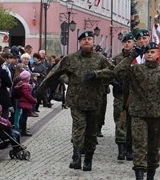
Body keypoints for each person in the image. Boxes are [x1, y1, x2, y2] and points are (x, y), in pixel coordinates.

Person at [37, 30, 114, 171]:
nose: (87, 41)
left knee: (91, 131)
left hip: (94, 101)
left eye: (89, 39)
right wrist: (42, 88)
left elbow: (112, 72)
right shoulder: (71, 58)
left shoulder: (100, 59)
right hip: (76, 101)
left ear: (93, 42)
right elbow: (56, 72)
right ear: (79, 42)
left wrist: (97, 74)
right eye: (84, 39)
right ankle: (76, 157)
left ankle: (89, 159)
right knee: (79, 128)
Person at [114, 42, 160, 180]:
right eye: (147, 52)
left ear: (158, 54)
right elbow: (117, 72)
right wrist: (132, 56)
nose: (149, 54)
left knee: (154, 148)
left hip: (157, 115)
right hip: (138, 114)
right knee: (139, 146)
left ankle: (150, 179)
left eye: (152, 52)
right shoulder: (136, 70)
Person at [14, 70, 36, 136]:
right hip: (25, 103)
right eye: (29, 77)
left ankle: (21, 128)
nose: (29, 78)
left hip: (22, 102)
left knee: (22, 116)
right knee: (24, 117)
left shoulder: (20, 83)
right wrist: (33, 100)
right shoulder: (26, 85)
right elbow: (27, 95)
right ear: (26, 78)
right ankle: (23, 130)